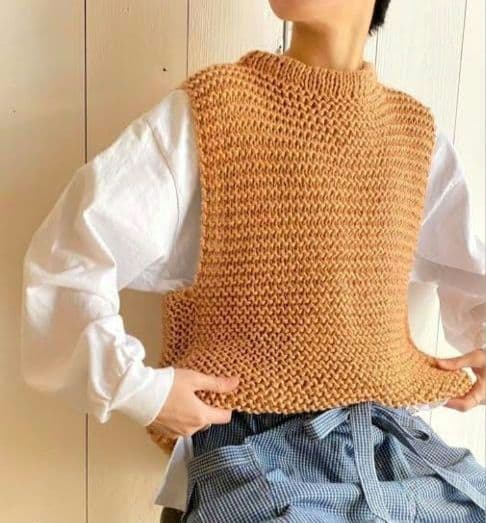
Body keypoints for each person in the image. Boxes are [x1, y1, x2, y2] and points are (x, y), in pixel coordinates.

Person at [20, 1, 486, 522]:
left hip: (390, 455)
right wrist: (140, 391)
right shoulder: (217, 112)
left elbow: (470, 267)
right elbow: (70, 256)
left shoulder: (412, 134)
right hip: (253, 461)